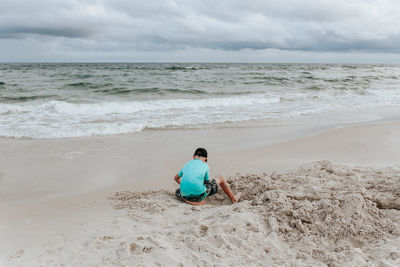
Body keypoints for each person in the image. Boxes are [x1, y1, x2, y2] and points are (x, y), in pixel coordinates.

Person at [174, 148, 242, 205]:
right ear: (205, 159)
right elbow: (206, 183)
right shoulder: (205, 166)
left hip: (185, 195)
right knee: (220, 177)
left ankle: (188, 200)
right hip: (199, 196)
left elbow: (175, 178)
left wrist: (187, 186)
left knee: (177, 191)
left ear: (194, 156)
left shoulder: (186, 164)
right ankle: (233, 199)